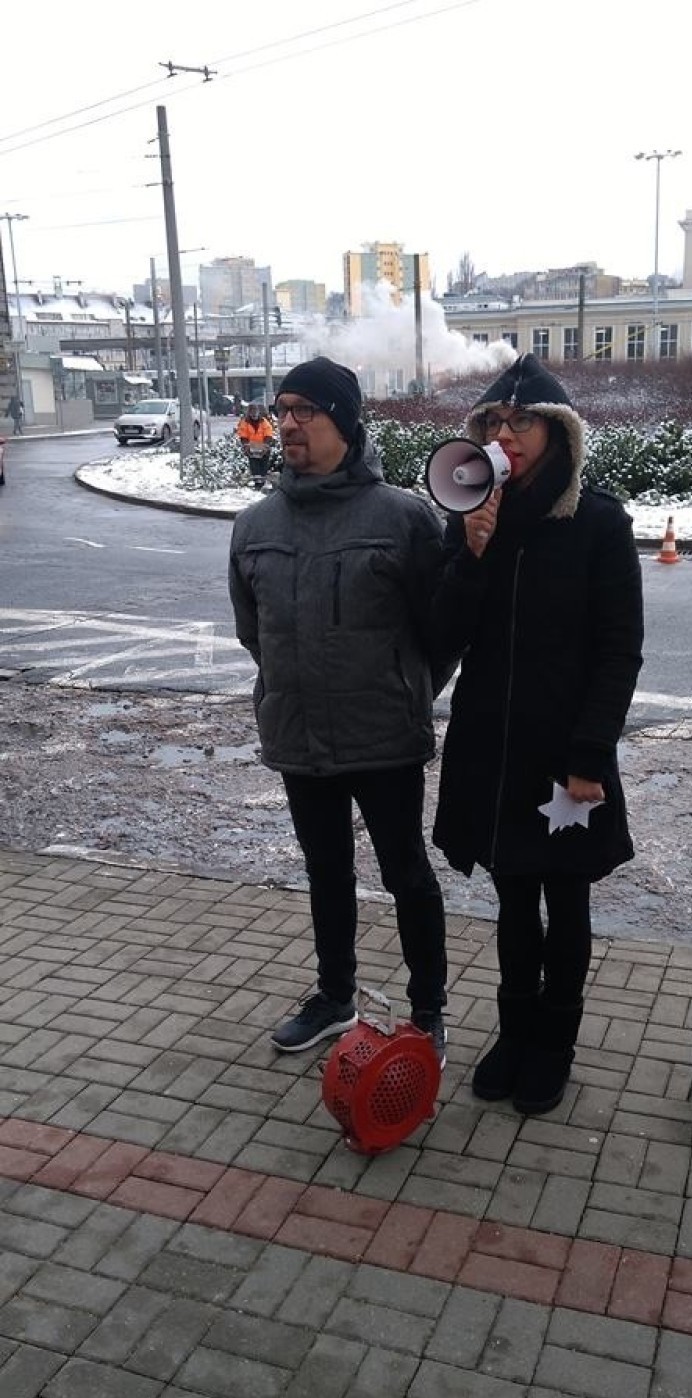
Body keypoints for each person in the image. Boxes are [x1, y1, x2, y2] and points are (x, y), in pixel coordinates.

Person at [431, 353, 644, 1114]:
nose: (504, 433)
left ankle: (555, 1042)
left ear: (557, 433)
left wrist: (590, 754)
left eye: (521, 421)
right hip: (492, 751)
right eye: (493, 420)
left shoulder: (597, 522)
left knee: (567, 902)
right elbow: (444, 634)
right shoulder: (474, 519)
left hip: (564, 759)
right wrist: (472, 553)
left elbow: (620, 649)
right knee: (513, 901)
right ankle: (514, 1032)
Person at [228, 356, 448, 1061]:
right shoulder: (255, 525)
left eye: (304, 411)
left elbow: (440, 634)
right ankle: (335, 995)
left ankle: (428, 1011)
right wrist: (289, 688)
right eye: (282, 408)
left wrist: (403, 690)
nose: (286, 423)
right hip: (299, 733)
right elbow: (252, 631)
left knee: (406, 871)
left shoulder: (406, 519)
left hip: (383, 733)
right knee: (325, 869)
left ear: (345, 424)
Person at [236, 401, 275, 489]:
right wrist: (246, 446)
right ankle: (258, 483)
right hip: (251, 448)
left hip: (263, 447)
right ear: (249, 413)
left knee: (263, 465)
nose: (254, 415)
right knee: (254, 466)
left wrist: (266, 445)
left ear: (258, 413)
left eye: (255, 413)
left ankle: (262, 482)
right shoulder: (245, 423)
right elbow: (243, 435)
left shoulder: (264, 422)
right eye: (252, 413)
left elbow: (268, 433)